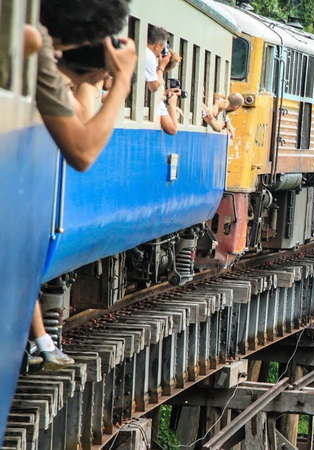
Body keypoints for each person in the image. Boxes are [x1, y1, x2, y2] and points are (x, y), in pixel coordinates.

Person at [30, 0, 137, 370]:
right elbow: (82, 150)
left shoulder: (36, 41)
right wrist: (121, 79)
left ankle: (40, 341)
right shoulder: (35, 41)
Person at [145, 26, 171, 93]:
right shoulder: (150, 56)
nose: (161, 52)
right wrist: (161, 66)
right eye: (162, 48)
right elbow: (154, 87)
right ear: (158, 46)